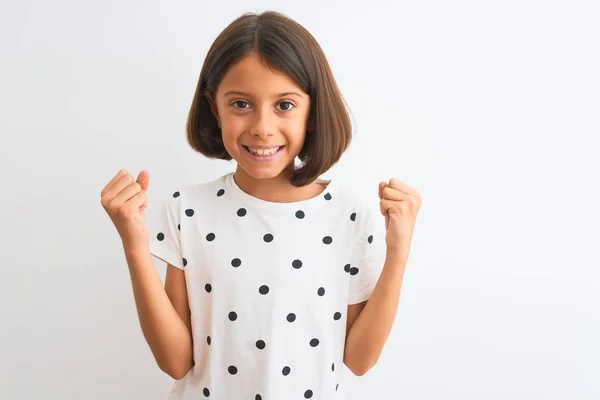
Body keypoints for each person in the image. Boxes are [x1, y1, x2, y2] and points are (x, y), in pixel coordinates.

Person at [100, 10, 421, 400]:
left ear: (312, 111)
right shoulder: (188, 211)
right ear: (214, 107)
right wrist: (134, 244)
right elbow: (176, 362)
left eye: (284, 105)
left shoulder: (350, 217)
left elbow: (359, 360)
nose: (262, 127)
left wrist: (398, 250)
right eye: (240, 104)